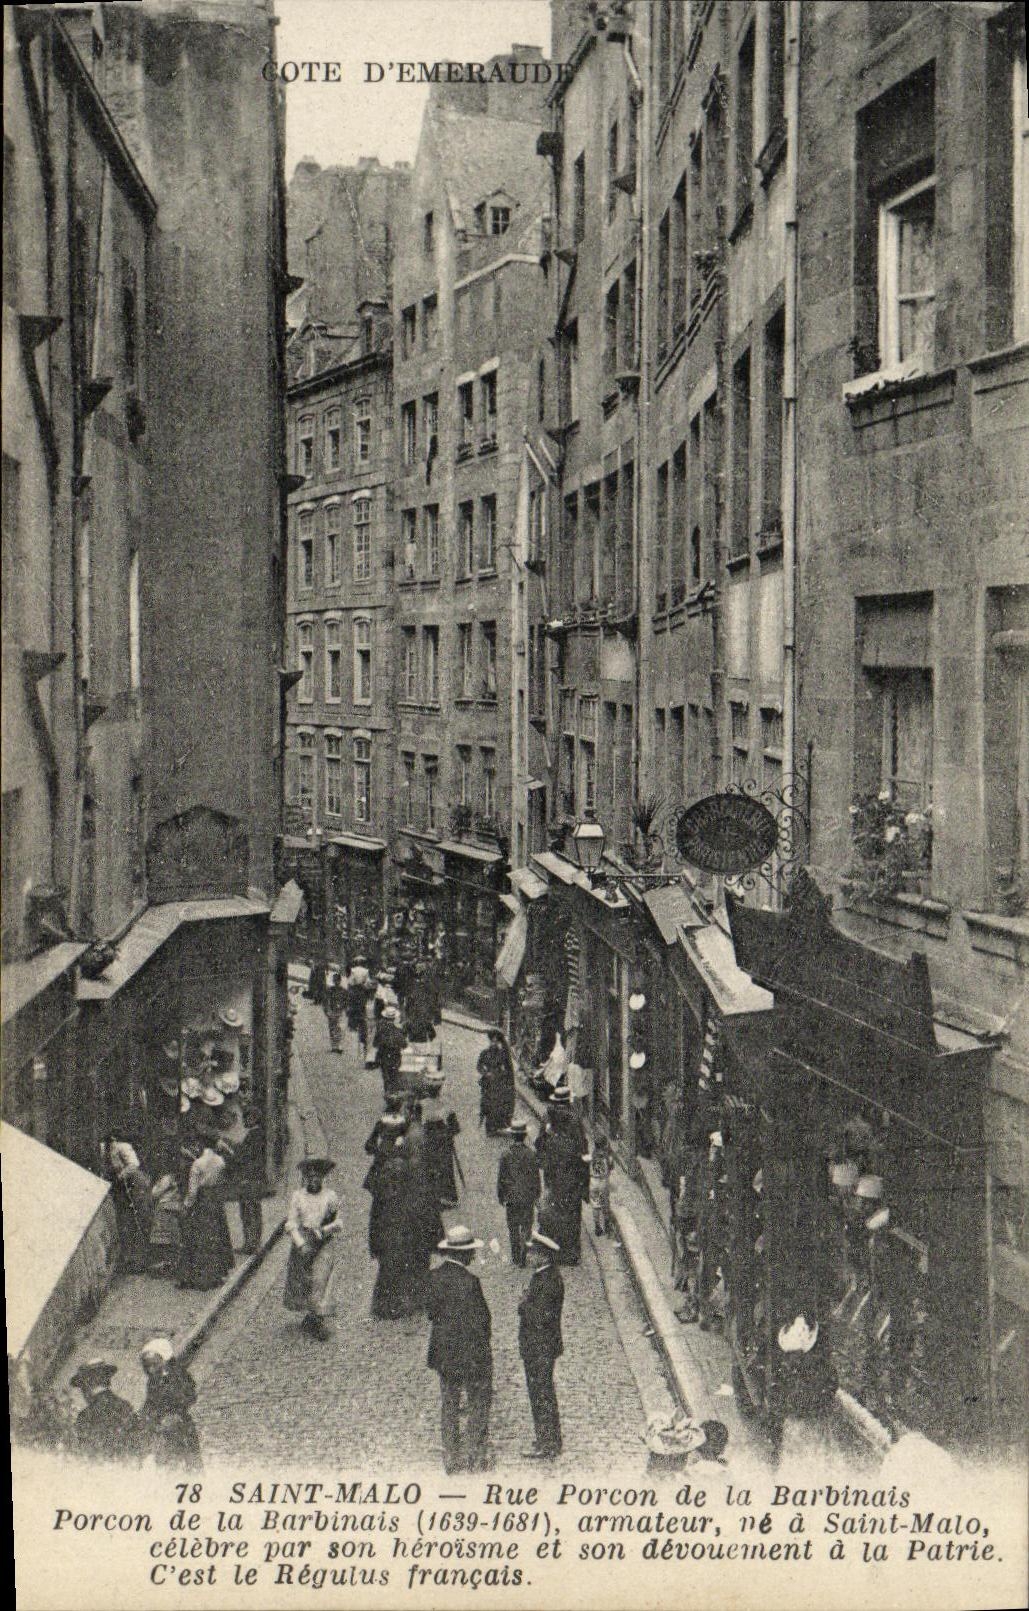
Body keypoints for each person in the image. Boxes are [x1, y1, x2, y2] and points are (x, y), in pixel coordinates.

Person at [426, 1225, 493, 1475]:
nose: (473, 1256)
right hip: (471, 1354)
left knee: (450, 1404)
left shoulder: (434, 1277)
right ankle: (475, 1455)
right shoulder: (471, 1282)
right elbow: (482, 1320)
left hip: (444, 1354)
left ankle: (452, 1458)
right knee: (477, 1402)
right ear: (464, 1255)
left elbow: (432, 1313)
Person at [365, 1120, 423, 1319]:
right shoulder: (399, 1170)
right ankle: (387, 1306)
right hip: (391, 1230)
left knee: (394, 1267)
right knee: (391, 1267)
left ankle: (390, 1305)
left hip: (394, 1229)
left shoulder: (391, 1173)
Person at [517, 1230, 564, 1460]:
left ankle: (548, 1443)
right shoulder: (544, 1276)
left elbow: (540, 1316)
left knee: (541, 1394)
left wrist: (523, 1305)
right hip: (541, 1346)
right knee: (542, 1393)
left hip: (540, 1346)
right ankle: (548, 1438)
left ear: (543, 1256)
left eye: (532, 1253)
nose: (528, 1257)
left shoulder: (547, 1280)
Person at [283, 1157, 341, 1340]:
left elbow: (339, 1222)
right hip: (304, 1241)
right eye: (310, 1177)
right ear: (305, 1178)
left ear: (323, 1178)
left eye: (318, 1177)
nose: (314, 1180)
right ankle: (311, 1314)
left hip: (324, 1241)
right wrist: (300, 1243)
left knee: (320, 1278)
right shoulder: (298, 1196)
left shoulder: (330, 1196)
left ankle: (318, 1319)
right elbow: (291, 1222)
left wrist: (324, 1230)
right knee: (305, 1280)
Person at [535, 1090, 590, 1265]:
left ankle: (554, 1247)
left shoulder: (547, 1118)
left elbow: (539, 1144)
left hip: (553, 1174)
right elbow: (582, 1149)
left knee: (555, 1209)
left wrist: (545, 1163)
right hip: (571, 1175)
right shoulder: (574, 1119)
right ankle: (571, 1252)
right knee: (572, 1213)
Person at [177, 1142, 234, 1291]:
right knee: (216, 1236)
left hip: (202, 1202)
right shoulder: (220, 1161)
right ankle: (216, 1275)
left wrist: (186, 1206)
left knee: (199, 1238)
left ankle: (201, 1278)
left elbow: (193, 1192)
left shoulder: (197, 1164)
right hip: (215, 1201)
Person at [139, 1339, 202, 1470]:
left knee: (189, 1463)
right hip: (161, 1428)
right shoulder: (153, 1381)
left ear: (164, 1360)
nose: (151, 1369)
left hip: (180, 1426)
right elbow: (150, 1402)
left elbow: (190, 1396)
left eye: (154, 1364)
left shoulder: (178, 1376)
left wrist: (175, 1410)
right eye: (147, 1366)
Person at [70, 1360, 140, 1464]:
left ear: (87, 1386)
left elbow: (82, 1455)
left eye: (82, 1387)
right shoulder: (125, 1406)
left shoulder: (85, 1416)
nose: (83, 1393)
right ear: (107, 1382)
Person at [103, 1134, 153, 1274]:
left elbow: (133, 1165)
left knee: (138, 1221)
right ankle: (130, 1260)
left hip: (133, 1186)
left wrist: (121, 1176)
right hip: (121, 1190)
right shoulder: (104, 1149)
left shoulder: (122, 1147)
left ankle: (142, 1261)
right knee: (126, 1223)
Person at [496, 1120, 540, 1266]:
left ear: (512, 1136)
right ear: (525, 1135)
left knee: (513, 1227)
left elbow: (501, 1178)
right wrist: (536, 1194)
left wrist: (501, 1195)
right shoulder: (531, 1154)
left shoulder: (506, 1155)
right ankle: (523, 1254)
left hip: (512, 1197)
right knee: (527, 1226)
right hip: (527, 1196)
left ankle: (516, 1256)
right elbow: (535, 1177)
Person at [420, 1073, 461, 1208]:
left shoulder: (421, 1105)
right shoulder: (447, 1105)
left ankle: (429, 1197)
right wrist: (447, 1133)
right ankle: (447, 1197)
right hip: (443, 1141)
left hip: (427, 1140)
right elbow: (455, 1128)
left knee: (428, 1167)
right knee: (444, 1169)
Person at [477, 1026, 516, 1136]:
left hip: (499, 1084)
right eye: (492, 1041)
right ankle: (489, 1129)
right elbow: (479, 1066)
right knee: (488, 1105)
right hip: (488, 1084)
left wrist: (500, 1075)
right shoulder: (485, 1053)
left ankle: (499, 1126)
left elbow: (508, 1068)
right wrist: (485, 1073)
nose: (493, 1043)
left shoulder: (502, 1054)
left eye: (495, 1041)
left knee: (499, 1105)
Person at [374, 1004, 406, 1098]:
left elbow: (375, 1044)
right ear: (394, 1018)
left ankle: (387, 1094)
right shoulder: (398, 1031)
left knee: (385, 1076)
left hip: (383, 1056)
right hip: (395, 1056)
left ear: (385, 1017)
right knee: (394, 1075)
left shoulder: (381, 1030)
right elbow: (404, 1045)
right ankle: (393, 1094)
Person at [587, 1132, 612, 1237]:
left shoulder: (592, 1155)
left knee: (596, 1205)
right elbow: (610, 1167)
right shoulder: (606, 1156)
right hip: (603, 1182)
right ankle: (607, 1225)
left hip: (593, 1182)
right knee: (605, 1203)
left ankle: (597, 1226)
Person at [324, 968, 346, 1054]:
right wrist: (327, 1011)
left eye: (338, 981)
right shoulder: (330, 990)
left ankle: (339, 1045)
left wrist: (344, 1009)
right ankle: (333, 1045)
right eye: (335, 981)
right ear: (333, 981)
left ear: (340, 981)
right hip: (332, 1010)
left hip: (340, 1011)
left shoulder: (343, 991)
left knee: (339, 1028)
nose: (336, 982)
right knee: (332, 1028)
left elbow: (346, 1002)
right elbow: (326, 1001)